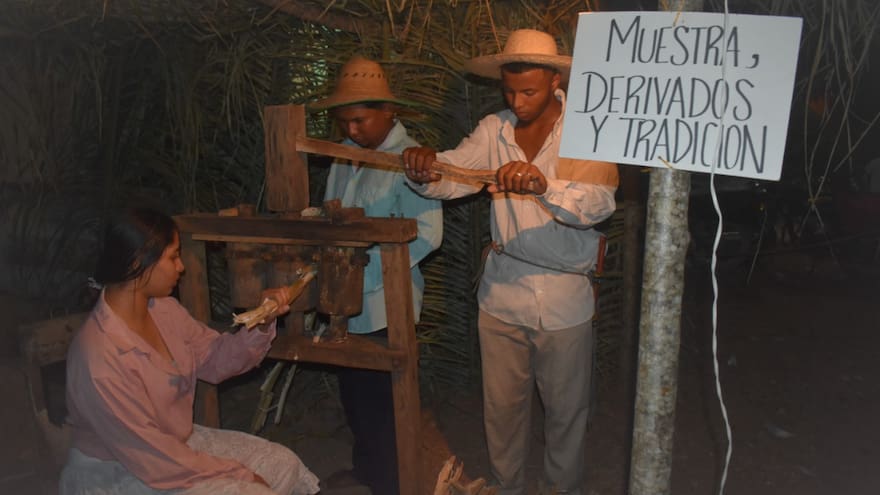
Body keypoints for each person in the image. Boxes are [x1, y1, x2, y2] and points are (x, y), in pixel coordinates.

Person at [403, 29, 619, 495]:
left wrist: (544, 186)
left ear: (555, 81)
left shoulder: (588, 129)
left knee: (566, 410)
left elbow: (600, 204)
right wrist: (425, 167)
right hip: (501, 294)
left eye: (529, 91)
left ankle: (561, 489)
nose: (517, 101)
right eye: (509, 90)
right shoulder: (493, 130)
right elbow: (456, 174)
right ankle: (507, 486)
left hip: (565, 299)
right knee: (502, 408)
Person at [60, 208, 320, 495]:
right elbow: (155, 461)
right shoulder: (100, 357)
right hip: (119, 471)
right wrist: (240, 474)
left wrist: (261, 320)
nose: (181, 266)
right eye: (173, 257)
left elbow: (216, 359)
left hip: (173, 447)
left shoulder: (163, 310)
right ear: (138, 263)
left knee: (282, 465)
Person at [310, 56, 443, 494]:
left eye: (361, 120)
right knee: (356, 394)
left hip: (387, 301)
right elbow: (332, 214)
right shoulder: (343, 158)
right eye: (345, 121)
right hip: (343, 300)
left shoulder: (412, 162)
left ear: (389, 111)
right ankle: (367, 470)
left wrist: (370, 265)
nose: (352, 130)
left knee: (387, 401)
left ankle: (393, 481)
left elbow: (427, 234)